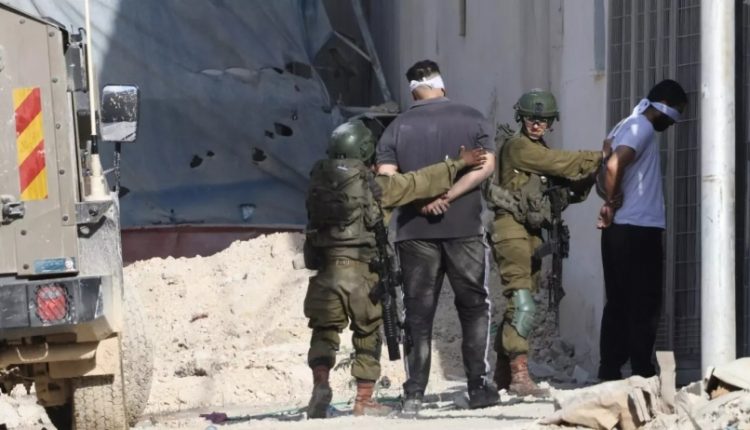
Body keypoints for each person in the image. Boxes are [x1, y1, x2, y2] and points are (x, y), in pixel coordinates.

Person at [304, 119, 486, 418]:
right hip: (362, 274)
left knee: (324, 332)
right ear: (365, 150)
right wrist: (458, 163)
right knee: (367, 334)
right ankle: (364, 400)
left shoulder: (316, 184)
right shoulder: (375, 186)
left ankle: (321, 384)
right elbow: (420, 181)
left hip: (325, 273)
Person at [376, 59, 498, 414]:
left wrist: (422, 200)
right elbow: (486, 166)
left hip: (413, 232)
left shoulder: (396, 128)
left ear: (413, 91)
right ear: (441, 84)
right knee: (474, 306)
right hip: (465, 230)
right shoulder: (473, 118)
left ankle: (414, 394)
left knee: (417, 313)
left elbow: (387, 180)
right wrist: (450, 195)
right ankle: (478, 387)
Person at [485, 89, 607, 396]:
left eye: (544, 120)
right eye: (531, 119)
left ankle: (503, 374)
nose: (537, 125)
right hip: (511, 230)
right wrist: (599, 157)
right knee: (522, 303)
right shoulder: (519, 147)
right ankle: (519, 376)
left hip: (531, 233)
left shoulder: (538, 151)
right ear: (520, 118)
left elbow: (562, 191)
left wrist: (588, 177)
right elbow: (559, 163)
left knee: (519, 303)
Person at [596, 79, 687, 381]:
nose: (674, 122)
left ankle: (610, 369)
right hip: (638, 229)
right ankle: (642, 371)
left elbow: (605, 162)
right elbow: (613, 166)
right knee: (644, 302)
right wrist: (611, 203)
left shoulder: (624, 124)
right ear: (665, 105)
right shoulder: (642, 127)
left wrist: (610, 204)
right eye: (677, 112)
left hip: (620, 230)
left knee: (619, 301)